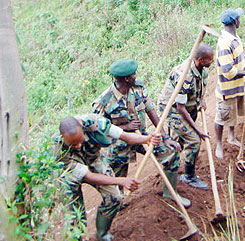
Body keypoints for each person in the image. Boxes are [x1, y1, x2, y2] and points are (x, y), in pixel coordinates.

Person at [92, 59, 191, 208]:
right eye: (133, 74)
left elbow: (150, 110)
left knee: (170, 151)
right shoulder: (104, 101)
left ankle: (170, 192)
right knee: (116, 181)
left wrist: (164, 136)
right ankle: (116, 206)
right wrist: (124, 127)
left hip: (142, 137)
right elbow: (98, 129)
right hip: (117, 146)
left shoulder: (138, 88)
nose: (136, 76)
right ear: (126, 79)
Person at [56, 114, 161, 241]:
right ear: (63, 138)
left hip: (92, 159)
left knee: (115, 197)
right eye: (73, 144)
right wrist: (121, 180)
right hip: (68, 175)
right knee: (74, 218)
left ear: (82, 129)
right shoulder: (57, 150)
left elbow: (125, 136)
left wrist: (146, 138)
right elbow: (89, 176)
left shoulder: (96, 123)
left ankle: (102, 233)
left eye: (80, 140)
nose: (78, 146)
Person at [158, 43, 214, 190]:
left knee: (179, 141)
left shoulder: (203, 70)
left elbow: (200, 87)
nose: (212, 62)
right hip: (173, 110)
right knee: (194, 140)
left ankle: (171, 169)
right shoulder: (185, 76)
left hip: (188, 107)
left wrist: (201, 100)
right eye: (209, 59)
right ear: (200, 60)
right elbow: (180, 107)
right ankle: (189, 176)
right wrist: (198, 130)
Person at [215, 8, 245, 159]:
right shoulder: (224, 44)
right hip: (226, 89)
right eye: (238, 18)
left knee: (233, 113)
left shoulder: (235, 38)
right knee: (222, 117)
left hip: (237, 87)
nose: (240, 20)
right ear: (235, 21)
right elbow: (228, 71)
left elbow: (242, 58)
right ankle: (219, 145)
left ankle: (231, 137)